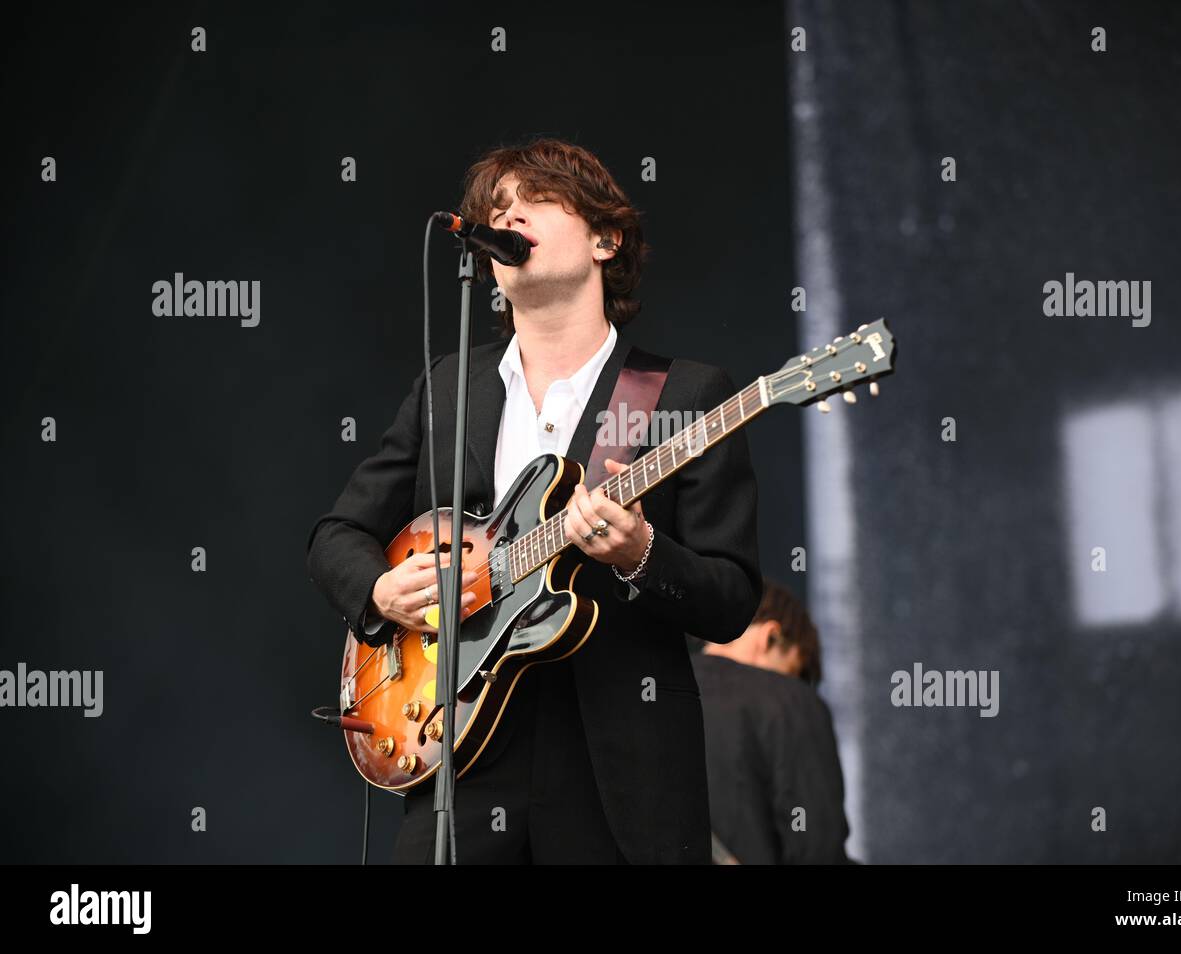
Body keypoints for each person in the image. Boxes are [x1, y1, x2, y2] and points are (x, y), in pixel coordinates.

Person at [306, 137, 762, 864]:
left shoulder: (680, 397)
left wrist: (643, 556)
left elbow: (732, 596)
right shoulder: (449, 388)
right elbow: (338, 533)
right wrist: (382, 590)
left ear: (606, 239)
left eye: (533, 198)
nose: (505, 213)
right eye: (494, 208)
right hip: (457, 752)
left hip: (619, 773)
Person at [690, 579, 855, 863]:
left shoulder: (654, 689)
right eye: (791, 671)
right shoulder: (789, 700)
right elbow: (817, 846)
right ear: (770, 636)